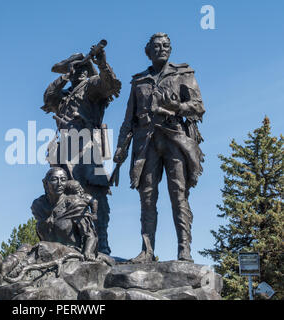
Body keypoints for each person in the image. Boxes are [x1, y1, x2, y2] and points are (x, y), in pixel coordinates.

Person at [114, 33, 205, 263]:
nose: (161, 49)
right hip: (146, 143)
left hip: (175, 138)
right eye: (156, 46)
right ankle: (147, 250)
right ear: (148, 51)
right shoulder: (139, 81)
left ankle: (184, 250)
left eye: (165, 45)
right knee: (147, 198)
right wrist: (120, 148)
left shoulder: (183, 73)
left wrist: (176, 107)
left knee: (178, 195)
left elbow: (198, 107)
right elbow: (128, 120)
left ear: (170, 49)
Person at [41, 42, 121, 255]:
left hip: (87, 147)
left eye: (76, 69)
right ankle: (74, 243)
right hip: (65, 149)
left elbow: (110, 85)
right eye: (72, 69)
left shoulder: (91, 85)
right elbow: (48, 98)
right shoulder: (66, 95)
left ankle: (101, 243)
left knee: (96, 194)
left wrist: (102, 63)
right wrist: (64, 77)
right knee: (64, 196)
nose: (75, 72)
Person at [31, 167, 98, 260]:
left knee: (42, 247)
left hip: (70, 255)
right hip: (45, 253)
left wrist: (87, 253)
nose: (59, 184)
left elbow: (90, 235)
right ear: (45, 183)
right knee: (25, 248)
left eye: (63, 180)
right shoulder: (38, 206)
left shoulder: (74, 203)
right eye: (54, 179)